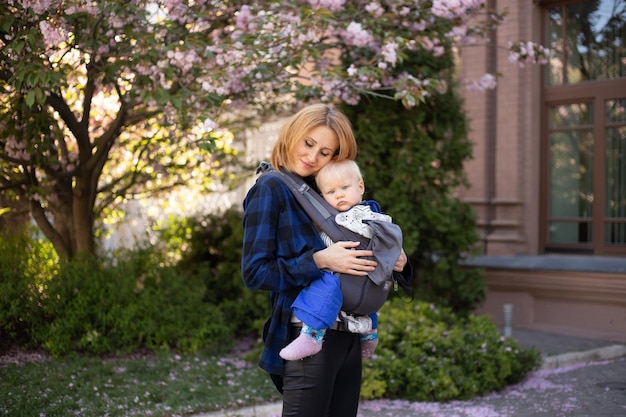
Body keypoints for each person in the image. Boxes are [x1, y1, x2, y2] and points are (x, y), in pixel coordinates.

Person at [241, 103, 411, 417]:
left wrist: (397, 262)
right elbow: (255, 273)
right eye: (308, 143)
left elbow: (360, 250)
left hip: (350, 334)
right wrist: (319, 260)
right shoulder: (271, 189)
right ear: (292, 134)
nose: (312, 157)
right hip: (309, 333)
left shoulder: (328, 191)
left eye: (325, 152)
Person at [278, 159, 403, 361]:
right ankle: (369, 334)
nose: (340, 195)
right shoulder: (366, 216)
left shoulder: (363, 216)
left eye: (345, 187)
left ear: (360, 186)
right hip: (364, 289)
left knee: (321, 285)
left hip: (349, 282)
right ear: (322, 197)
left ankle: (311, 336)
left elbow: (373, 230)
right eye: (331, 192)